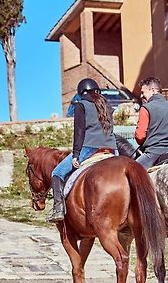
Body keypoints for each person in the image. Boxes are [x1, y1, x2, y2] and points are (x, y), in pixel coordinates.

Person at [47, 78, 117, 223]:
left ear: (81, 93)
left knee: (57, 173)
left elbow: (79, 133)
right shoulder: (107, 105)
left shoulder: (81, 105)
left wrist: (76, 155)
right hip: (112, 149)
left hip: (89, 148)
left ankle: (58, 210)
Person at [134, 76, 168, 170]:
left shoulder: (146, 108)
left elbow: (140, 137)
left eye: (143, 92)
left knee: (129, 172)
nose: (141, 96)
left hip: (154, 154)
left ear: (152, 90)